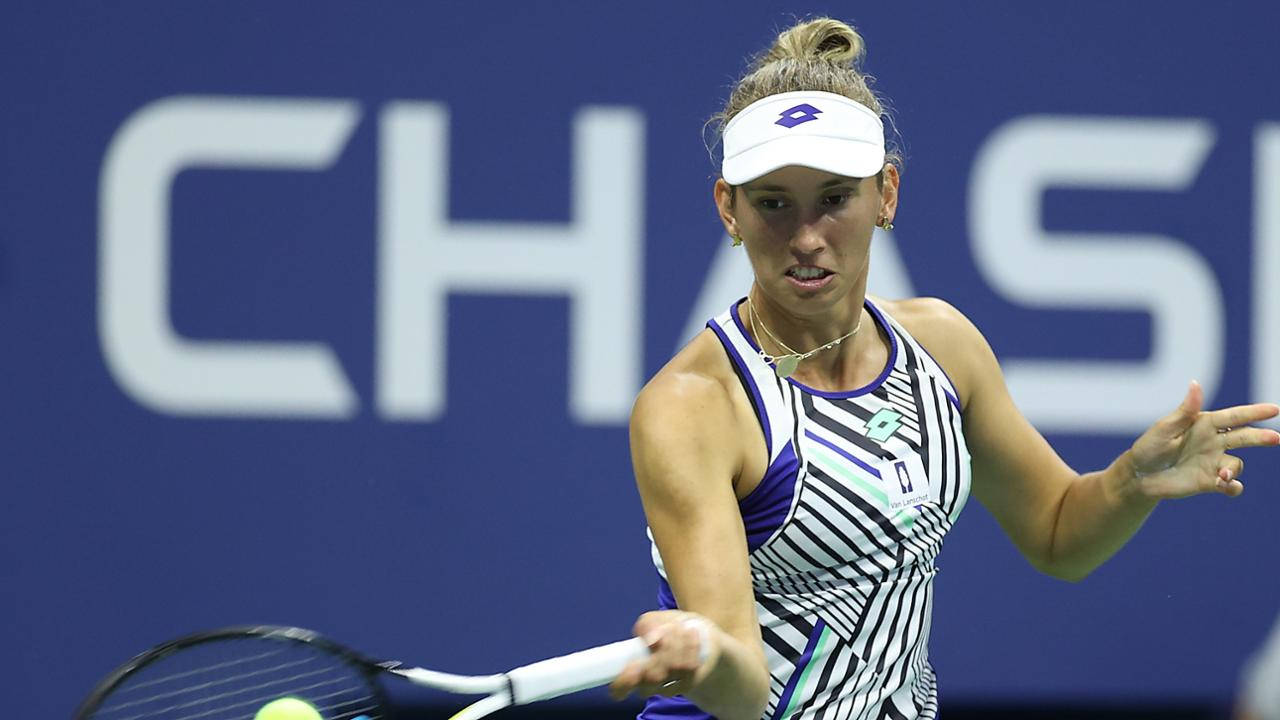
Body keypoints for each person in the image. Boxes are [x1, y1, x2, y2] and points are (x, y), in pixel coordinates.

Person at [606, 16, 1280, 720]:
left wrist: (1130, 484)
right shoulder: (693, 406)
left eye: (835, 199)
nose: (806, 238)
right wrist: (707, 654)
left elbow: (1056, 533)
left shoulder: (942, 345)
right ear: (729, 209)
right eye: (773, 204)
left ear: (886, 194)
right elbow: (741, 692)